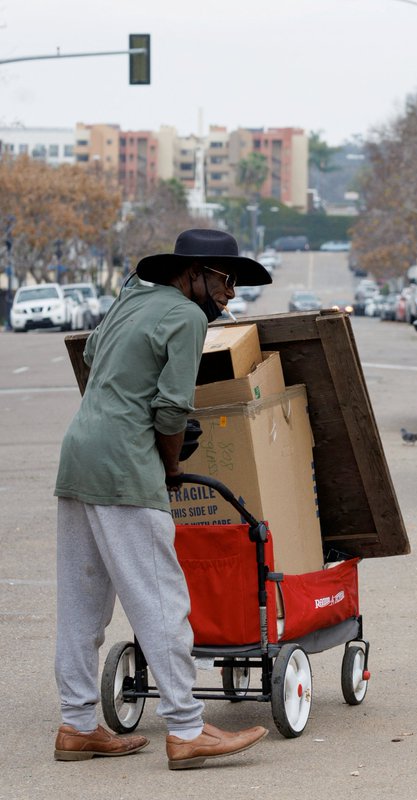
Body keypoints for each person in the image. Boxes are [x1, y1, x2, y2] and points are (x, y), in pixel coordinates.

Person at [53, 229, 274, 769]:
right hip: (125, 466)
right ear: (191, 273)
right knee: (161, 601)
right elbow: (172, 409)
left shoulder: (131, 300)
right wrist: (171, 466)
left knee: (81, 606)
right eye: (225, 279)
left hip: (78, 454)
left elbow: (96, 360)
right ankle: (186, 729)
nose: (231, 292)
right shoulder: (186, 316)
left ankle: (77, 724)